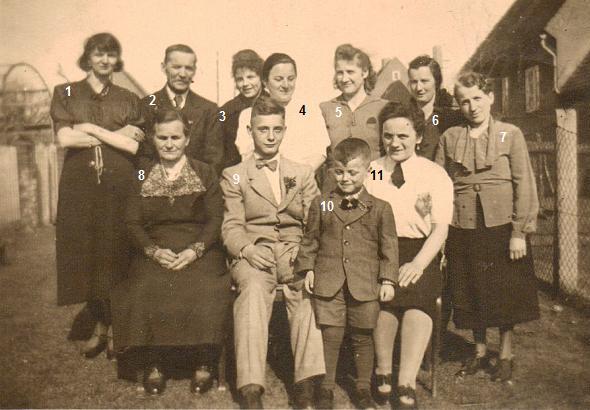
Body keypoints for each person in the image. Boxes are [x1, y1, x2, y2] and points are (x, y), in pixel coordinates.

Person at [111, 109, 231, 395]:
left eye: (175, 137)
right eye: (162, 137)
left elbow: (215, 219)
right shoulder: (142, 172)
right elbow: (131, 221)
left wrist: (195, 250)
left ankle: (204, 361)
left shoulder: (205, 171)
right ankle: (155, 363)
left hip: (199, 247)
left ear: (186, 139)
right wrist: (152, 251)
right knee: (146, 285)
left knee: (205, 285)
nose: (168, 143)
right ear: (153, 139)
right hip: (156, 246)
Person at [435, 72, 539, 384]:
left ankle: (505, 354)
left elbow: (525, 184)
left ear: (490, 97)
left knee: (506, 291)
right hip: (463, 226)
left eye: (477, 98)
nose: (472, 106)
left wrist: (519, 231)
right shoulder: (450, 138)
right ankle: (480, 351)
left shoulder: (511, 134)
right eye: (464, 101)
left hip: (502, 228)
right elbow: (439, 185)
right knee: (472, 289)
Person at [221, 95, 325, 409]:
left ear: (284, 131)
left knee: (306, 291)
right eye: (262, 129)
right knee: (252, 291)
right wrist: (248, 250)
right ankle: (251, 386)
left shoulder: (302, 172)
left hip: (294, 251)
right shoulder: (234, 174)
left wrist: (306, 259)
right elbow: (231, 226)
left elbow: (316, 222)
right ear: (250, 131)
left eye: (276, 129)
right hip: (255, 253)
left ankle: (307, 384)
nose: (269, 136)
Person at [50, 32, 144, 360]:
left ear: (117, 60)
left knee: (118, 252)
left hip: (120, 185)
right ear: (87, 57)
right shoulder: (65, 93)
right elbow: (64, 139)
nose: (105, 60)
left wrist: (89, 129)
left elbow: (134, 145)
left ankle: (119, 330)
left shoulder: (129, 98)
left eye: (111, 55)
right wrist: (112, 136)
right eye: (98, 54)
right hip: (81, 186)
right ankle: (102, 327)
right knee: (90, 255)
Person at [295, 138, 398, 410]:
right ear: (331, 171)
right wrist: (307, 268)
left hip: (365, 283)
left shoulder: (380, 207)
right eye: (338, 172)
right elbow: (310, 239)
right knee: (330, 335)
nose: (345, 178)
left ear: (366, 170)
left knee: (363, 335)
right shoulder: (323, 204)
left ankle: (363, 388)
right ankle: (326, 389)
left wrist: (388, 279)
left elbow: (389, 247)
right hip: (329, 281)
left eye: (352, 172)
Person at [367, 102, 453, 408]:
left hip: (421, 250)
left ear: (418, 137)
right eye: (388, 135)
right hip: (380, 249)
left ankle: (406, 381)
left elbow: (440, 229)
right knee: (384, 301)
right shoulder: (373, 170)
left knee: (418, 302)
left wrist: (418, 263)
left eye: (403, 135)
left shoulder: (435, 174)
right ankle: (382, 372)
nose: (395, 142)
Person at [234, 53, 330, 171]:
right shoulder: (248, 115)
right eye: (278, 79)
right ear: (265, 81)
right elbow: (247, 156)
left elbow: (319, 152)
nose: (286, 85)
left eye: (290, 79)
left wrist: (299, 178)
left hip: (302, 181)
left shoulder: (306, 110)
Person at [140, 44, 224, 174]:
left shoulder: (209, 110)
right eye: (176, 67)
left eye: (188, 68)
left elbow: (214, 160)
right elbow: (142, 157)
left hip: (197, 188)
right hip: (155, 188)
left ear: (195, 70)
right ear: (164, 67)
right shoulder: (146, 106)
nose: (183, 74)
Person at [320, 44, 388, 162]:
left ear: (365, 72)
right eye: (340, 73)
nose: (344, 79)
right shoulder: (325, 109)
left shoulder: (384, 107)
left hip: (375, 176)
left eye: (350, 72)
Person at [407, 55, 462, 161]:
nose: (419, 88)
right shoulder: (403, 116)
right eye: (414, 82)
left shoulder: (452, 117)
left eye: (424, 81)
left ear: (436, 82)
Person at [220, 49, 264, 169]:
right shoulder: (225, 110)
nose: (245, 83)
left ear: (261, 77)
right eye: (240, 79)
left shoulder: (274, 103)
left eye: (250, 77)